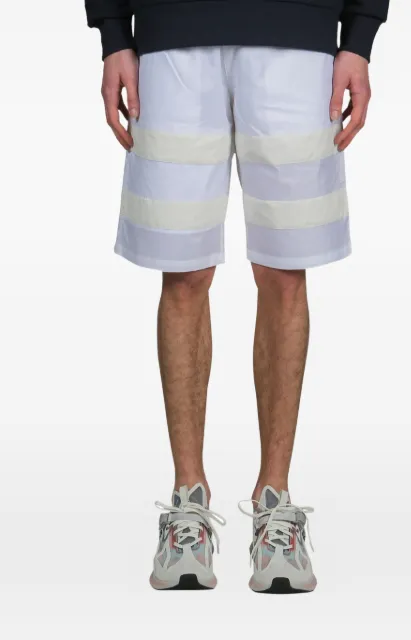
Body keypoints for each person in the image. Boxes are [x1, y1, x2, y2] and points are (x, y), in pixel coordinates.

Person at [85, 0, 389, 594]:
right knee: (183, 271)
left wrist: (359, 37)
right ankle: (188, 505)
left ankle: (275, 506)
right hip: (170, 35)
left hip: (299, 35)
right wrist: (114, 32)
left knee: (284, 272)